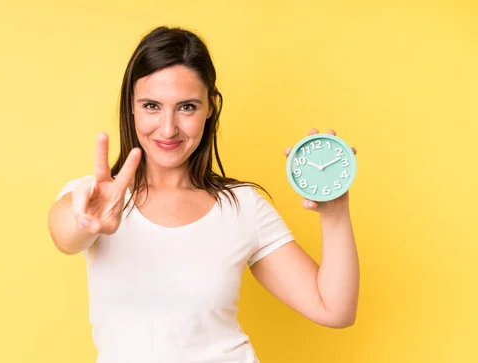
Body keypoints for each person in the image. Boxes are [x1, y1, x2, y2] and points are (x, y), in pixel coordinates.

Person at [47, 25, 359, 363]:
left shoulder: (243, 205)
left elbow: (334, 309)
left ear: (210, 106)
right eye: (152, 106)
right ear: (131, 107)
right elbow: (66, 236)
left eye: (187, 107)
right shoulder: (94, 198)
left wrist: (334, 208)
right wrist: (86, 220)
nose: (168, 128)